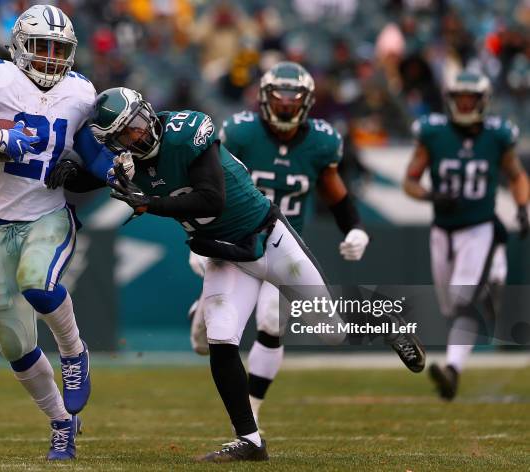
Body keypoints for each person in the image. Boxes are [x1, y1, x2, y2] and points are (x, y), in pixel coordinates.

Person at [48, 86, 425, 462]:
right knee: (222, 337)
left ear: (148, 112)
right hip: (225, 256)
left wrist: (152, 203)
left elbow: (213, 198)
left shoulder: (185, 133)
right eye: (125, 134)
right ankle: (251, 440)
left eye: (139, 124)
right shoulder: (125, 162)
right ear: (113, 142)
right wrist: (71, 174)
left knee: (332, 332)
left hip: (268, 237)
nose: (138, 134)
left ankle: (380, 320)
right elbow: (93, 177)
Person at [0, 5, 116, 460]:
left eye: (59, 49)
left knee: (38, 283)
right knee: (14, 343)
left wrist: (105, 172)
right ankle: (61, 423)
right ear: (19, 45)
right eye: (42, 46)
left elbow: (95, 156)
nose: (51, 56)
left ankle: (74, 354)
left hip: (48, 215)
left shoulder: (80, 91)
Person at [187, 61, 375, 428]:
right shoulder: (241, 132)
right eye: (280, 99)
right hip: (234, 239)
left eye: (294, 100)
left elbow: (335, 195)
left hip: (281, 243)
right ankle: (202, 312)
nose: (286, 106)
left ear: (306, 103)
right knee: (205, 341)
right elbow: (209, 187)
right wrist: (196, 242)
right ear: (264, 98)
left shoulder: (322, 142)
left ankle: (252, 407)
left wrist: (355, 227)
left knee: (273, 321)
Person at [403, 70, 529, 400]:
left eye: (470, 98)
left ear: (483, 101)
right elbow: (410, 181)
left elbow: (517, 176)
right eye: (459, 98)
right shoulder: (434, 133)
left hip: (479, 227)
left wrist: (522, 207)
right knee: (451, 307)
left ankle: (452, 370)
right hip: (442, 231)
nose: (464, 103)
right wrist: (431, 196)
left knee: (463, 303)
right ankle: (488, 293)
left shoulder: (497, 136)